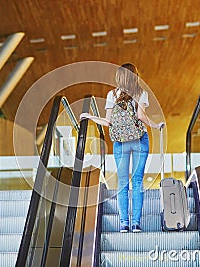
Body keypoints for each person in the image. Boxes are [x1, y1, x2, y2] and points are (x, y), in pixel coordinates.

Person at [80, 63, 164, 233]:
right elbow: (141, 116)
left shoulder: (112, 94)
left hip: (120, 142)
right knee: (138, 181)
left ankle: (124, 224)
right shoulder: (141, 93)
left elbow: (108, 122)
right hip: (139, 140)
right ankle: (136, 224)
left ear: (119, 77)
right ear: (135, 75)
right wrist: (156, 125)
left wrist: (90, 116)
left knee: (123, 182)